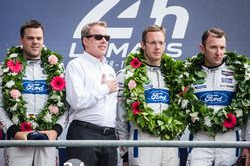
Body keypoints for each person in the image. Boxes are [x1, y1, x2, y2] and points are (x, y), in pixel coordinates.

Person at [0, 20, 68, 166]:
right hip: (18, 141)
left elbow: (65, 104)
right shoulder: (5, 68)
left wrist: (55, 131)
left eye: (39, 38)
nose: (35, 42)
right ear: (21, 40)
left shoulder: (57, 67)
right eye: (30, 38)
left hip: (47, 140)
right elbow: (0, 106)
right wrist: (13, 132)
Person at [116, 25, 184, 166]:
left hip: (169, 144)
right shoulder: (128, 75)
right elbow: (121, 119)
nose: (157, 47)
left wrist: (175, 134)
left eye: (161, 43)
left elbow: (183, 111)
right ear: (142, 45)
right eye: (152, 42)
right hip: (142, 145)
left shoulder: (176, 75)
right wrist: (124, 155)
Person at [185, 28, 250, 166]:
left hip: (229, 138)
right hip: (200, 137)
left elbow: (248, 113)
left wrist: (247, 144)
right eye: (213, 47)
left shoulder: (239, 73)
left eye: (222, 47)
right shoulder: (188, 73)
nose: (219, 52)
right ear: (202, 48)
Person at [65, 21, 119, 166]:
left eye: (106, 38)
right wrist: (104, 88)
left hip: (110, 135)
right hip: (84, 133)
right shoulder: (76, 65)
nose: (104, 41)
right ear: (85, 41)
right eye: (98, 37)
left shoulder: (110, 69)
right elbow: (76, 101)